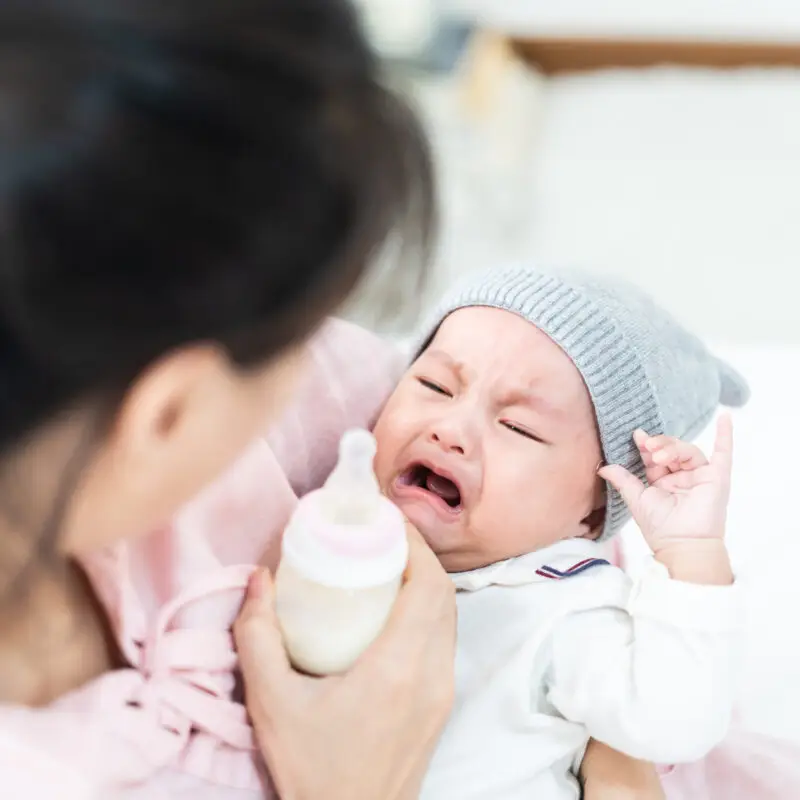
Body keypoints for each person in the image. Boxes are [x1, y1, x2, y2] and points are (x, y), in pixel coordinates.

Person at [0, 2, 653, 798]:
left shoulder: (327, 392)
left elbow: (575, 473)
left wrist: (620, 743)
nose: (445, 424)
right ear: (168, 410)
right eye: (300, 330)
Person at [370, 264, 748, 797]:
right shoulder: (327, 515)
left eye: (518, 427)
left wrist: (691, 554)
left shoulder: (562, 609)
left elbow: (675, 722)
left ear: (590, 516)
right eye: (435, 385)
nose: (450, 430)